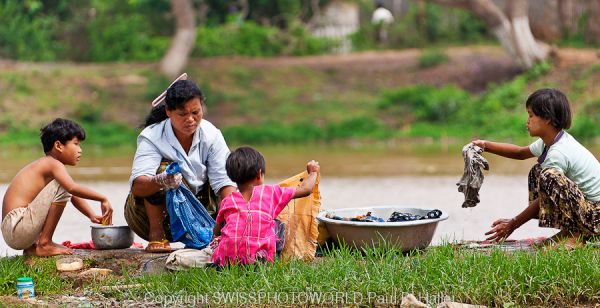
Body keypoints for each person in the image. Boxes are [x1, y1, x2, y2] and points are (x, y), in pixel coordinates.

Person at [474, 88, 600, 247]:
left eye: (531, 115)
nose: (527, 120)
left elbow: (545, 194)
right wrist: (484, 145)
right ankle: (573, 229)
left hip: (596, 216)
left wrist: (513, 223)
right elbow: (520, 153)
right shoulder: (550, 142)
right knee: (538, 172)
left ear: (547, 118)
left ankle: (578, 233)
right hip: (589, 210)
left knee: (548, 177)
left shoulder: (559, 152)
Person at [126, 76, 236, 253]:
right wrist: (161, 180)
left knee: (226, 185)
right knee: (163, 169)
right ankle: (157, 235)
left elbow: (225, 184)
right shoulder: (152, 136)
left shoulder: (212, 135)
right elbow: (138, 187)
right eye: (183, 114)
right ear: (168, 112)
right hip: (146, 218)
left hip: (200, 213)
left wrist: (230, 227)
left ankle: (213, 235)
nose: (191, 120)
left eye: (196, 112)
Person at [1, 118, 113, 257]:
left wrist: (91, 215)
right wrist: (102, 198)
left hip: (14, 230)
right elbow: (71, 188)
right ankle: (45, 243)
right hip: (17, 226)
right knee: (62, 186)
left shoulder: (49, 166)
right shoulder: (52, 164)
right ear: (59, 146)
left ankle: (32, 248)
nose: (80, 150)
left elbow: (72, 194)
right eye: (76, 144)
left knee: (61, 186)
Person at [211, 146, 320, 265]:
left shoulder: (227, 200)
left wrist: (216, 240)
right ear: (259, 175)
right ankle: (268, 256)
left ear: (232, 177)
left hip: (227, 262)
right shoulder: (271, 192)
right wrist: (313, 172)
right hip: (260, 261)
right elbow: (306, 189)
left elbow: (216, 231)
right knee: (278, 224)